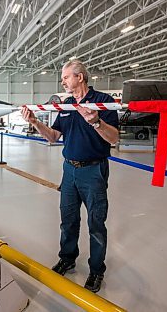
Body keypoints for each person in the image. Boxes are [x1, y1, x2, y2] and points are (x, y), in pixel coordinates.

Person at [21, 60, 119, 292]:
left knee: (96, 223)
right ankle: (67, 257)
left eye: (66, 77)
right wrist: (35, 122)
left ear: (80, 77)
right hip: (69, 170)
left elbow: (114, 139)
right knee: (68, 219)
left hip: (94, 170)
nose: (62, 81)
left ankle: (96, 270)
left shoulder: (104, 101)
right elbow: (54, 136)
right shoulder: (66, 105)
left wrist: (96, 121)